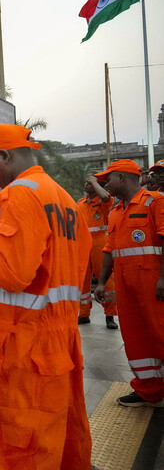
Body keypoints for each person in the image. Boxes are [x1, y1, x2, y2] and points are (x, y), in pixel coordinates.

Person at [0, 124, 92, 469]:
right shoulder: (61, 196)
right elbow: (55, 257)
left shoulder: (18, 194)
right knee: (62, 426)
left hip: (25, 338)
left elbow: (15, 276)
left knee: (23, 438)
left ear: (6, 155)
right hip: (60, 333)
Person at [94, 159, 164, 407]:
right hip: (125, 284)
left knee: (160, 333)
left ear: (122, 178)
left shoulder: (154, 202)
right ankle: (149, 390)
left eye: (108, 179)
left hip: (152, 281)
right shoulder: (115, 211)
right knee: (135, 338)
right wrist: (101, 283)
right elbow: (109, 250)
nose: (105, 184)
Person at [77, 175, 118, 328]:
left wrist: (95, 182)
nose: (86, 184)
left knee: (106, 278)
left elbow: (106, 197)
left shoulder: (103, 201)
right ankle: (84, 313)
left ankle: (110, 315)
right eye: (86, 182)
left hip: (100, 242)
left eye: (90, 183)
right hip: (82, 242)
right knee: (82, 278)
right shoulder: (80, 204)